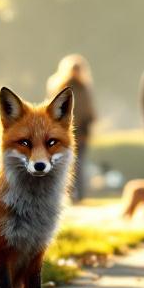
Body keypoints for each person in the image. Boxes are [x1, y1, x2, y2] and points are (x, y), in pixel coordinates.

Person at [47, 54, 96, 201]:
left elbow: (89, 111)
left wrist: (86, 129)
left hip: (81, 133)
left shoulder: (85, 88)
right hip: (61, 132)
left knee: (79, 164)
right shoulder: (60, 88)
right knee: (61, 164)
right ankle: (65, 193)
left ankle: (79, 195)